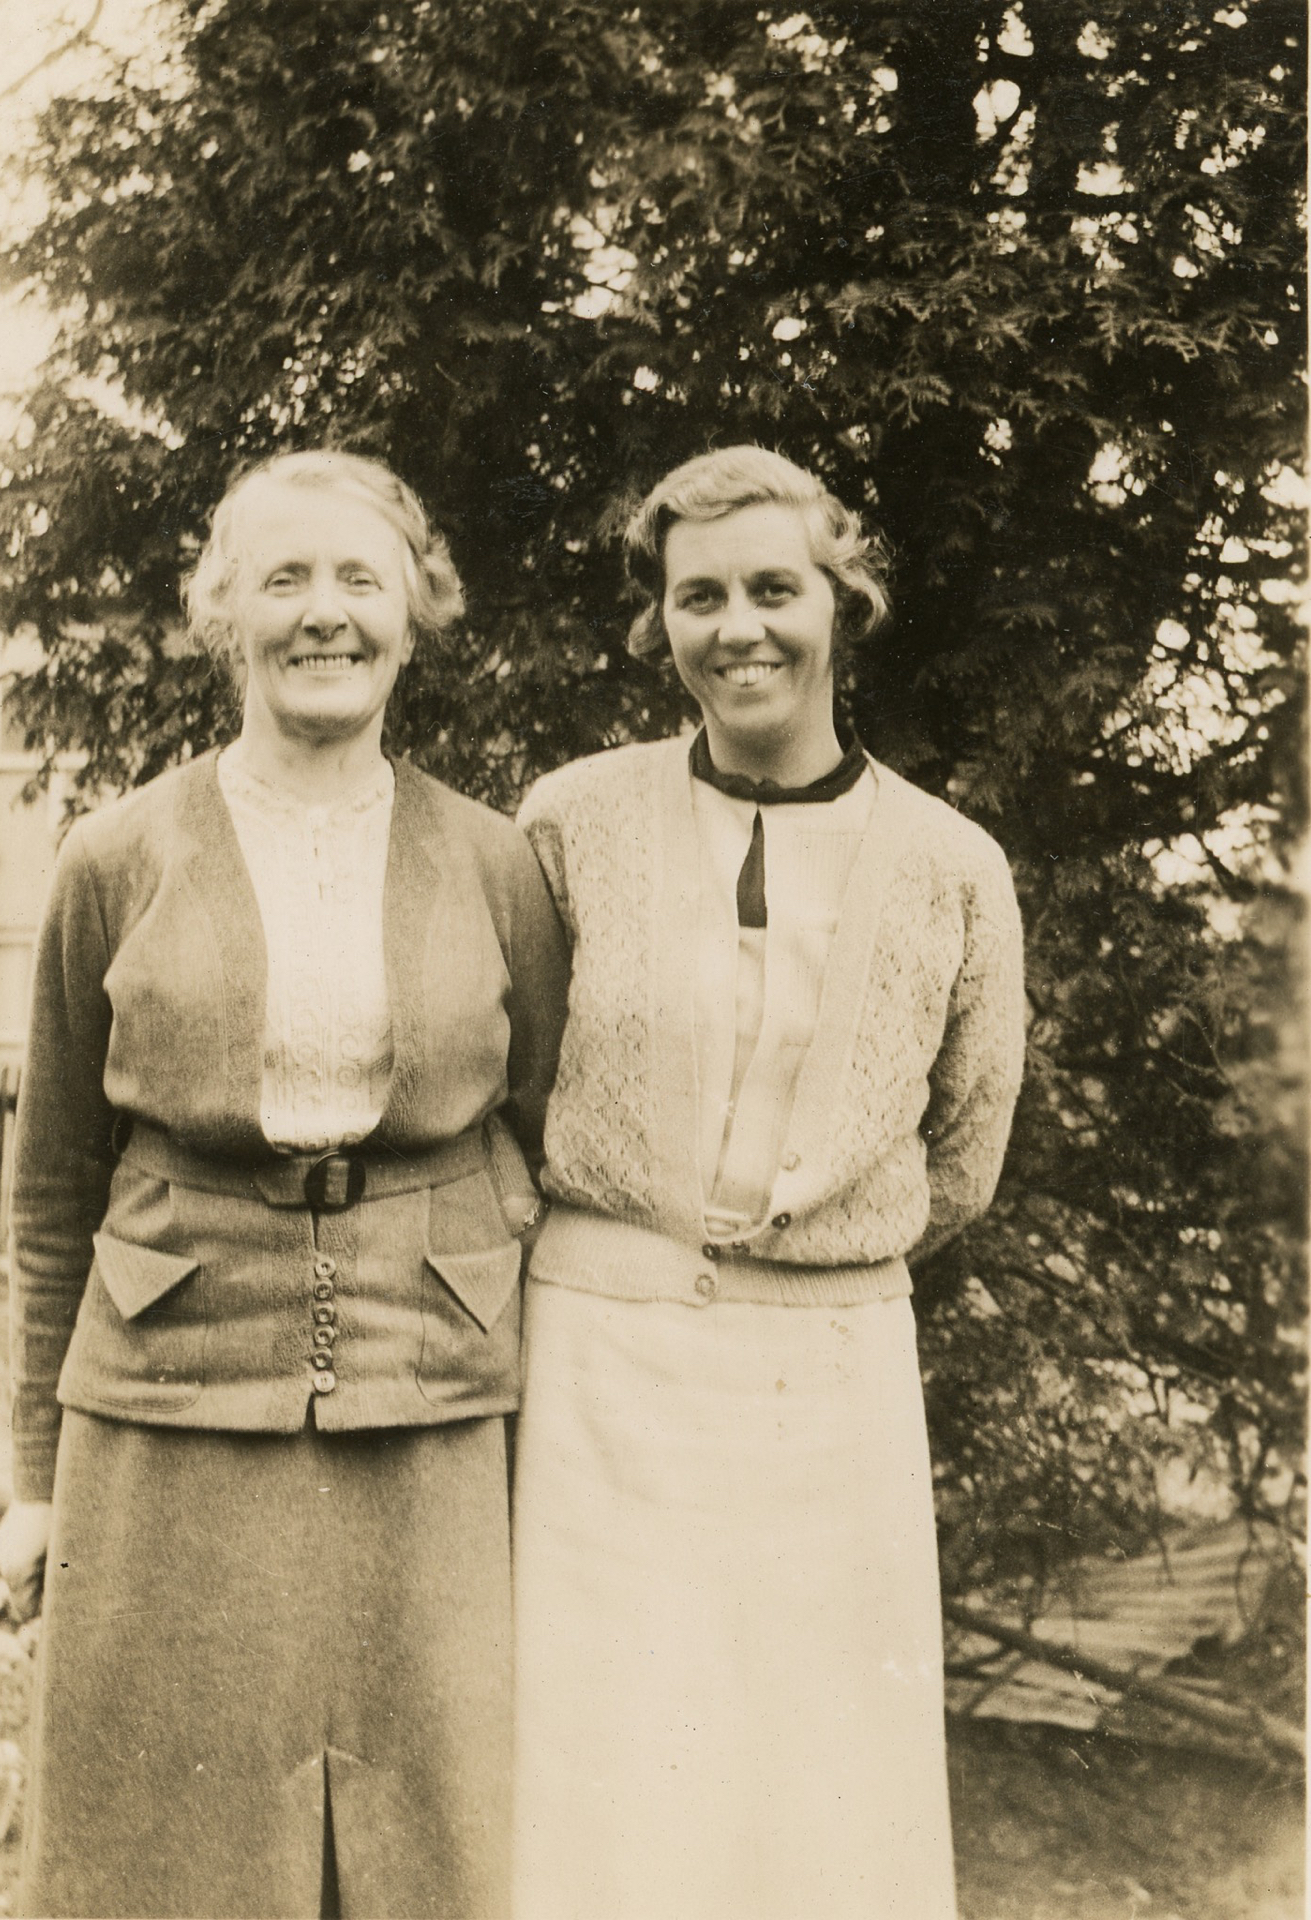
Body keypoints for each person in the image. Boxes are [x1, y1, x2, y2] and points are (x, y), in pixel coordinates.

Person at [0, 448, 569, 1919]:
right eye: (285, 577)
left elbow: (545, 1132)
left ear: (414, 614)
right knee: (160, 1844)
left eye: (361, 579)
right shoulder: (116, 858)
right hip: (165, 1399)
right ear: (222, 609)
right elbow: (50, 1190)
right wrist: (34, 1481)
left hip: (429, 1403)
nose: (326, 613)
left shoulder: (495, 862)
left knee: (431, 1842)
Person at [510, 446, 1025, 1920]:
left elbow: (964, 1153)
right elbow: (517, 1078)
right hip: (601, 1375)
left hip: (828, 1386)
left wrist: (818, 1258)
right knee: (602, 1771)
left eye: (773, 590)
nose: (738, 628)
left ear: (841, 604)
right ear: (659, 622)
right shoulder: (568, 823)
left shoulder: (951, 868)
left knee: (823, 1782)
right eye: (699, 597)